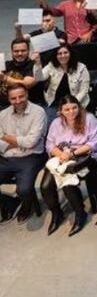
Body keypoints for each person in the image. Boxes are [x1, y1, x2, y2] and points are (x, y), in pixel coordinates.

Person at [41, 95, 97, 236]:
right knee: (45, 186)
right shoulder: (56, 123)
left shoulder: (89, 119)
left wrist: (72, 154)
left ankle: (80, 213)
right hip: (61, 157)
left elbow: (93, 143)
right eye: (67, 109)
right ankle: (56, 213)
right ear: (61, 110)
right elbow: (49, 144)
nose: (71, 112)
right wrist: (61, 154)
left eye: (74, 107)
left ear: (79, 107)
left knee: (67, 182)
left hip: (84, 157)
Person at [0, 86, 46, 224]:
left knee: (24, 190)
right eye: (13, 98)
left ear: (27, 94)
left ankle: (27, 204)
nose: (18, 100)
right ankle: (11, 203)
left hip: (32, 157)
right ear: (8, 99)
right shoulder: (2, 115)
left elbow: (31, 142)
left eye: (21, 96)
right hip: (7, 156)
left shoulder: (38, 112)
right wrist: (20, 142)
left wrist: (9, 139)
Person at [32, 45, 90, 109]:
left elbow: (84, 90)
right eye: (59, 54)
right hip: (55, 102)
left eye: (66, 52)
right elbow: (39, 78)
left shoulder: (81, 68)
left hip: (76, 103)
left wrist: (71, 104)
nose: (63, 56)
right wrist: (37, 63)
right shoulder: (51, 65)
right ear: (56, 56)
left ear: (70, 54)